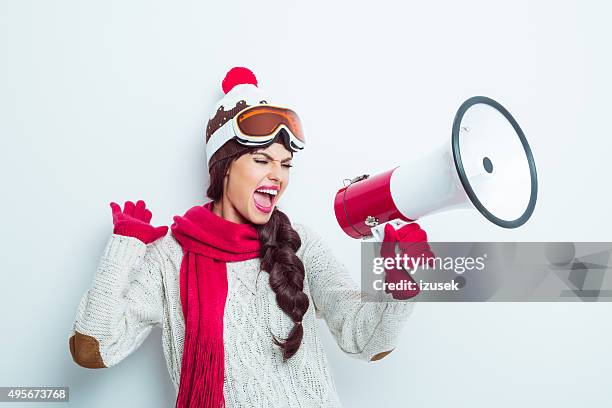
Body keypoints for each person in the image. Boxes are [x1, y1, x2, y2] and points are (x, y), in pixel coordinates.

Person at [68, 67, 433, 407]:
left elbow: (367, 342)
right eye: (262, 161)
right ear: (224, 168)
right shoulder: (170, 258)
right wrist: (125, 246)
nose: (278, 176)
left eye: (286, 164)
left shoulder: (301, 243)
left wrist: (399, 288)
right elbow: (93, 349)